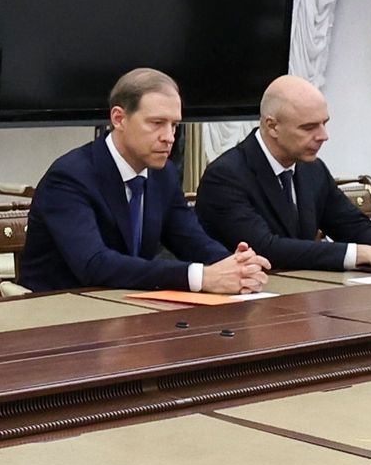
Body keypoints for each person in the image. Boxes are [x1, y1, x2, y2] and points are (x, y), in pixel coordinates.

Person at [21, 68, 276, 296]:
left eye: (174, 125)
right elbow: (94, 264)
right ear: (119, 119)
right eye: (157, 123)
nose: (169, 137)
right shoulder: (70, 176)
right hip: (62, 314)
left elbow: (192, 240)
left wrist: (235, 265)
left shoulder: (161, 174)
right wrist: (201, 277)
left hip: (129, 308)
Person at [193, 75, 371, 273]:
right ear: (272, 126)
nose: (323, 136)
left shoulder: (312, 168)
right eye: (309, 127)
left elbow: (350, 223)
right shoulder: (225, 176)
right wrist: (359, 253)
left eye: (324, 123)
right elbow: (265, 248)